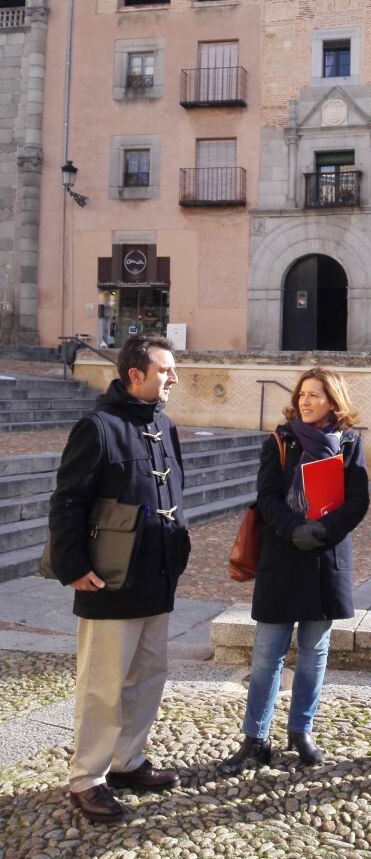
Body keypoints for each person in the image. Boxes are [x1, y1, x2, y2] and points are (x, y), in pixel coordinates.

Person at [47, 335, 190, 823]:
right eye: (166, 370)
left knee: (148, 677)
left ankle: (128, 761)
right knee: (102, 685)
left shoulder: (165, 426)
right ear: (136, 375)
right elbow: (68, 500)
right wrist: (73, 566)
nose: (174, 377)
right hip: (108, 581)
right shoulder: (97, 427)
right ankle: (87, 778)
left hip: (158, 577)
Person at [219, 366, 369, 774]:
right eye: (303, 394)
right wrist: (293, 529)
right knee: (267, 653)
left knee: (314, 653)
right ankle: (255, 739)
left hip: (325, 559)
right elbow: (266, 495)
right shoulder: (280, 440)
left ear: (333, 401)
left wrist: (323, 530)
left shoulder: (349, 444)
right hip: (283, 558)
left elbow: (358, 501)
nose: (306, 400)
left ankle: (301, 730)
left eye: (316, 395)